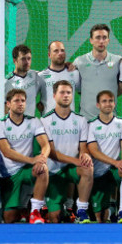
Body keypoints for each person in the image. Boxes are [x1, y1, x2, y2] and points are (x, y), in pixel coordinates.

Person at [0, 89, 50, 224]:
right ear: (8, 104)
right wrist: (32, 159)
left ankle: (35, 211)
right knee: (9, 218)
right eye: (16, 101)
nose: (20, 104)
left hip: (27, 170)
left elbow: (45, 145)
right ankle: (24, 209)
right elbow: (7, 151)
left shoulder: (34, 121)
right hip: (8, 175)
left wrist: (42, 159)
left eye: (23, 101)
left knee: (43, 169)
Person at [41, 80, 93, 223]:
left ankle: (81, 210)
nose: (65, 95)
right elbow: (51, 152)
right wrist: (77, 160)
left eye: (69, 93)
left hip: (71, 170)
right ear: (54, 96)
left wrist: (85, 155)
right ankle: (57, 206)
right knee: (55, 218)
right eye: (62, 92)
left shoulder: (81, 120)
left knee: (88, 167)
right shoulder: (45, 120)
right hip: (53, 172)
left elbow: (83, 148)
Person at [86, 90, 122, 223]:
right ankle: (110, 205)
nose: (108, 104)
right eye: (104, 101)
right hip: (97, 171)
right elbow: (93, 151)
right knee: (100, 217)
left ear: (114, 103)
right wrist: (115, 162)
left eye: (111, 101)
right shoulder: (91, 125)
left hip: (114, 168)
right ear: (98, 105)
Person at [72, 24, 122, 120]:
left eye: (104, 38)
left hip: (110, 120)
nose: (101, 41)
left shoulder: (118, 61)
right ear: (91, 40)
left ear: (108, 40)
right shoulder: (79, 62)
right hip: (86, 120)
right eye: (98, 37)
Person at [37, 41, 80, 114]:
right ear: (49, 55)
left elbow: (84, 93)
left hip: (70, 122)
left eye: (62, 50)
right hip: (48, 122)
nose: (60, 53)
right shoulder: (41, 76)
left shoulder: (75, 73)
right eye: (56, 51)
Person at [5, 44, 45, 117]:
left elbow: (53, 74)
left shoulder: (36, 75)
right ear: (15, 61)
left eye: (29, 58)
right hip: (16, 124)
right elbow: (5, 108)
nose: (27, 62)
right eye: (23, 59)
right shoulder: (7, 82)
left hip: (31, 124)